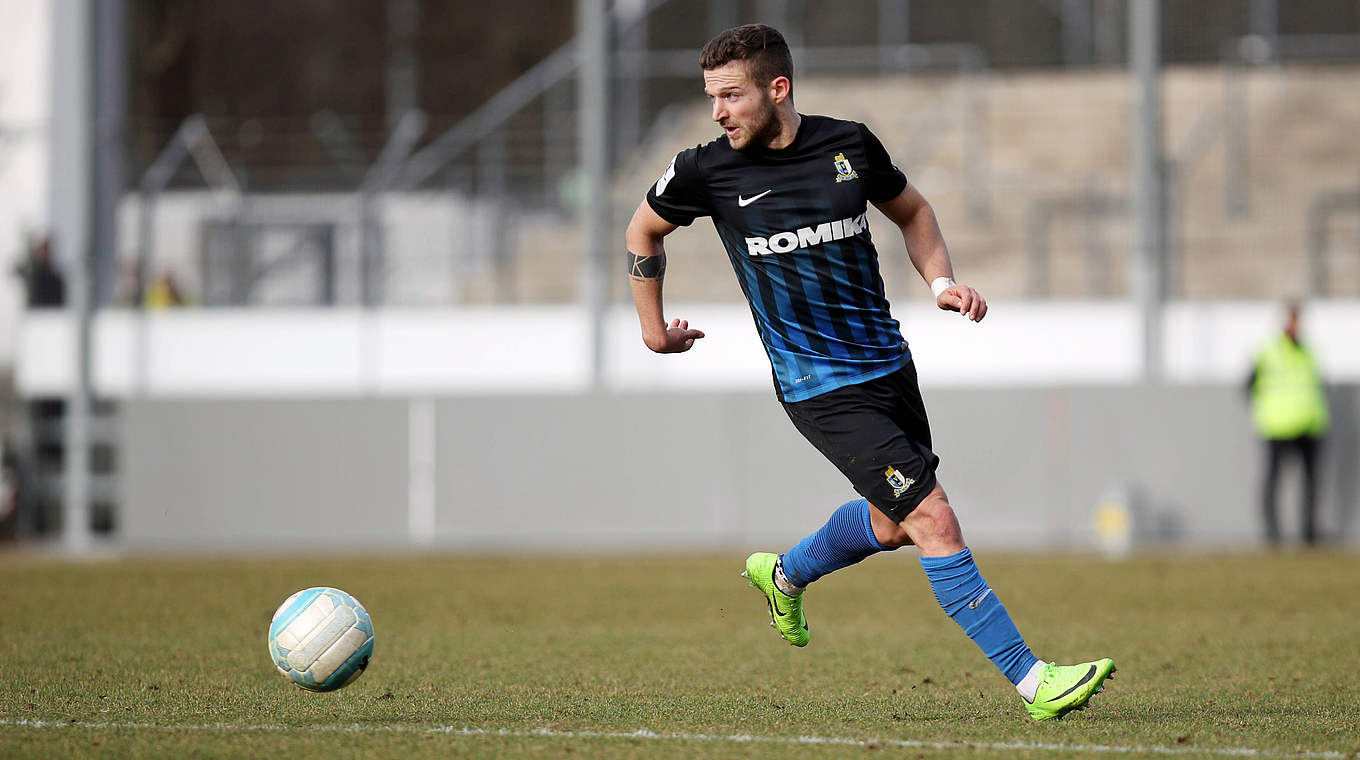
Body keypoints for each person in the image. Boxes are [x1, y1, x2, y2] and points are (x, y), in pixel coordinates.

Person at [624, 25, 1114, 721]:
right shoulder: (705, 170)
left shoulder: (848, 145)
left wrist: (943, 281)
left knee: (892, 526)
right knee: (933, 519)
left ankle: (785, 575)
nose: (718, 112)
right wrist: (652, 330)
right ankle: (1035, 682)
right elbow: (641, 229)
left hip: (888, 364)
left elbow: (912, 210)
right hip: (816, 385)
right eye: (713, 98)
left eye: (731, 96)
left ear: (778, 89)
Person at [1247, 303, 1329, 546]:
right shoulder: (1267, 351)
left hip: (1309, 425)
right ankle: (1273, 535)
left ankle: (1309, 534)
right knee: (1274, 481)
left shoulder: (1310, 352)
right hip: (1277, 426)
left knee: (1311, 482)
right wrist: (1267, 409)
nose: (1295, 325)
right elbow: (1249, 385)